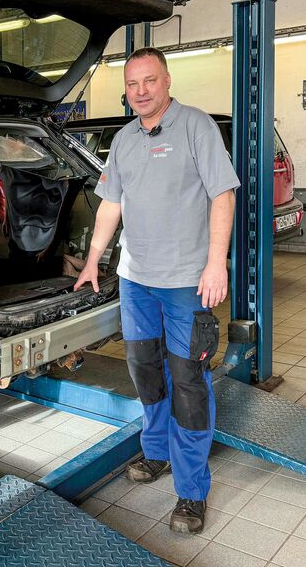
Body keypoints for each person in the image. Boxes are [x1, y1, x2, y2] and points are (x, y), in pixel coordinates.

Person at [74, 47, 239, 534]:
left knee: (188, 380)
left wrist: (216, 264)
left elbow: (222, 194)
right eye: (132, 84)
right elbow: (111, 204)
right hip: (136, 280)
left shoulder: (196, 126)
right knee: (145, 370)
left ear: (167, 81)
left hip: (186, 281)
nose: (141, 91)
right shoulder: (124, 140)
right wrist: (93, 258)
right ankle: (157, 452)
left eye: (149, 81)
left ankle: (191, 491)